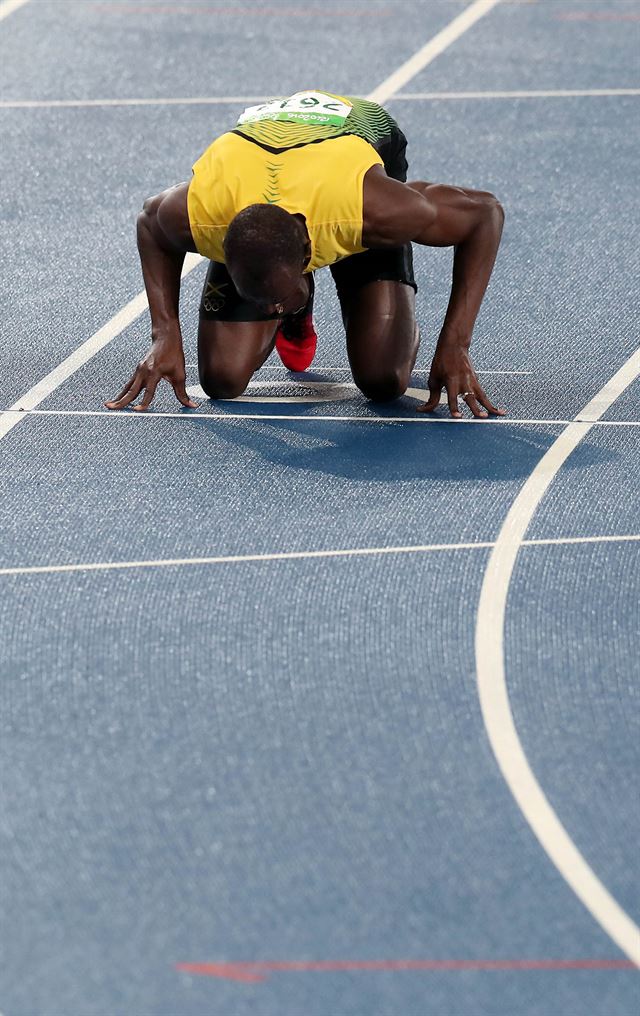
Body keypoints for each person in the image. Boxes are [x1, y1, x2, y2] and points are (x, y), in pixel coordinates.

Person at [105, 89, 505, 419]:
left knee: (384, 380)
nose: (272, 309)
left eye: (278, 302)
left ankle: (346, 271)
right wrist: (164, 335)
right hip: (262, 184)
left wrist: (456, 344)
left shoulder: (379, 210)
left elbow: (484, 214)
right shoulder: (204, 214)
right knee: (222, 380)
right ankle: (296, 302)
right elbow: (148, 224)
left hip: (352, 157)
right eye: (267, 302)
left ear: (307, 256)